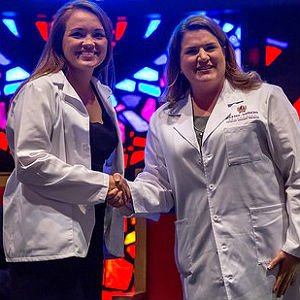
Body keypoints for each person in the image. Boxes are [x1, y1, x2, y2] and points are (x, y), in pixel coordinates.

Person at [109, 15, 300, 300]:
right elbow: (160, 184)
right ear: (178, 63)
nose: (202, 57)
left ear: (225, 51)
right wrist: (129, 193)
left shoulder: (265, 98)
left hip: (270, 254)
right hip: (202, 260)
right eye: (191, 51)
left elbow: (297, 173)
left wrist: (295, 245)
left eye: (210, 48)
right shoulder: (164, 118)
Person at [3, 1, 129, 300]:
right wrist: (104, 185)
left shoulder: (104, 95)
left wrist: (117, 188)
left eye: (98, 34)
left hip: (92, 234)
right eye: (78, 34)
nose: (89, 42)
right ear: (59, 41)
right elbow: (30, 162)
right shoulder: (40, 90)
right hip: (47, 242)